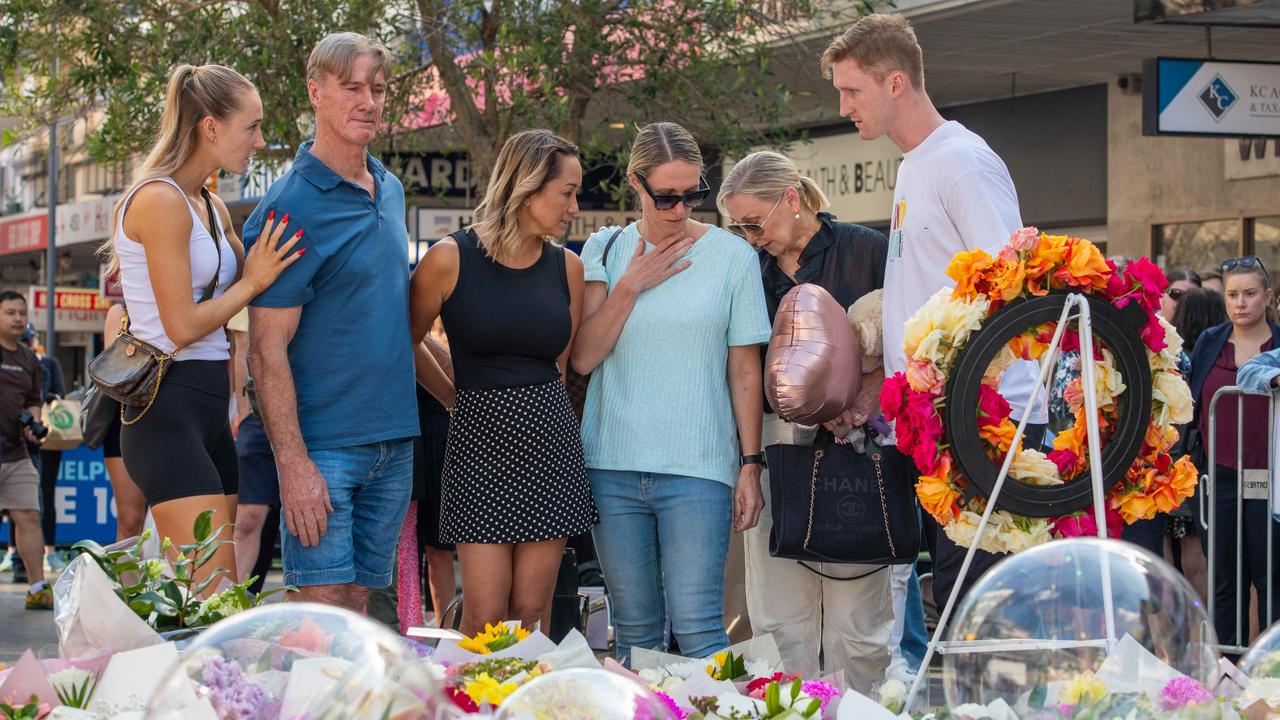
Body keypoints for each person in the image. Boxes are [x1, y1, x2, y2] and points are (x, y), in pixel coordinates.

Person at [822, 13, 1047, 614]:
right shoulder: (916, 162)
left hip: (985, 417)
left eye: (852, 90)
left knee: (979, 601)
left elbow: (1012, 287)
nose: (844, 106)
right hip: (934, 415)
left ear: (896, 82)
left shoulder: (962, 161)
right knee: (951, 596)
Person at [571, 121, 771, 663]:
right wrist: (631, 284)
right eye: (666, 197)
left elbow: (745, 370)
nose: (682, 210)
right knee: (634, 630)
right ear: (636, 185)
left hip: (698, 468)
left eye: (694, 195)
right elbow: (584, 357)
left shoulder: (733, 257)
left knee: (700, 625)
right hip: (611, 466)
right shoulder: (604, 249)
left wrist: (749, 463)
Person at [105, 63, 300, 592]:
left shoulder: (209, 205)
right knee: (210, 596)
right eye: (252, 127)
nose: (260, 140)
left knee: (217, 597)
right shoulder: (159, 200)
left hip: (210, 408)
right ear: (210, 127)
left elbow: (250, 288)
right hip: (165, 408)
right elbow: (183, 325)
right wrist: (253, 279)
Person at [247, 33, 420, 611]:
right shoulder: (289, 205)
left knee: (362, 616)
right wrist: (293, 464)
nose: (368, 101)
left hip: (394, 442)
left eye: (377, 89)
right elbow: (265, 351)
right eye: (352, 88)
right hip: (322, 448)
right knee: (323, 620)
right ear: (315, 92)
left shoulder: (390, 190)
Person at [718, 150, 893, 691]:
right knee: (775, 614)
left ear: (791, 199)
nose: (749, 237)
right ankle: (787, 706)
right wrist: (748, 462)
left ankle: (860, 707)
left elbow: (910, 336)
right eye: (738, 226)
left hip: (858, 443)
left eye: (755, 222)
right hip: (773, 443)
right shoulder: (746, 266)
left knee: (857, 619)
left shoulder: (866, 249)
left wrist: (865, 394)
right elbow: (741, 362)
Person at [409, 129, 594, 634]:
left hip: (549, 444)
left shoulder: (567, 268)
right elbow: (407, 340)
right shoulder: (450, 257)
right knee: (485, 616)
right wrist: (454, 398)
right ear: (528, 187)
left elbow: (557, 367)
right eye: (567, 192)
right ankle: (471, 711)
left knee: (532, 614)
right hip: (479, 445)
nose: (574, 206)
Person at [1188, 257, 1280, 647]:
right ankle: (1229, 672)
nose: (1240, 302)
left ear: (1268, 296)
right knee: (1223, 580)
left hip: (1270, 480)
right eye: (1232, 294)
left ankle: (1272, 676)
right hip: (1218, 477)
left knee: (1272, 578)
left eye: (1249, 293)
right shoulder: (1210, 341)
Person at [1167, 287, 1224, 601]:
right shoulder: (1205, 362)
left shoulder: (1169, 356)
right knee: (1195, 558)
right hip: (1193, 463)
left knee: (1165, 557)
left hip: (1165, 462)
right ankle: (1203, 628)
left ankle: (1177, 636)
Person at [0, 291, 52, 608]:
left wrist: (33, 423)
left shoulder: (29, 359)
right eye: (10, 313)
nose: (18, 318)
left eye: (22, 313)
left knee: (29, 516)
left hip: (16, 453)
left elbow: (34, 401)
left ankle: (37, 589)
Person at [101, 303, 147, 542]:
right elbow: (116, 370)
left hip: (177, 413)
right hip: (125, 417)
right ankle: (127, 581)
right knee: (130, 520)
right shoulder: (121, 312)